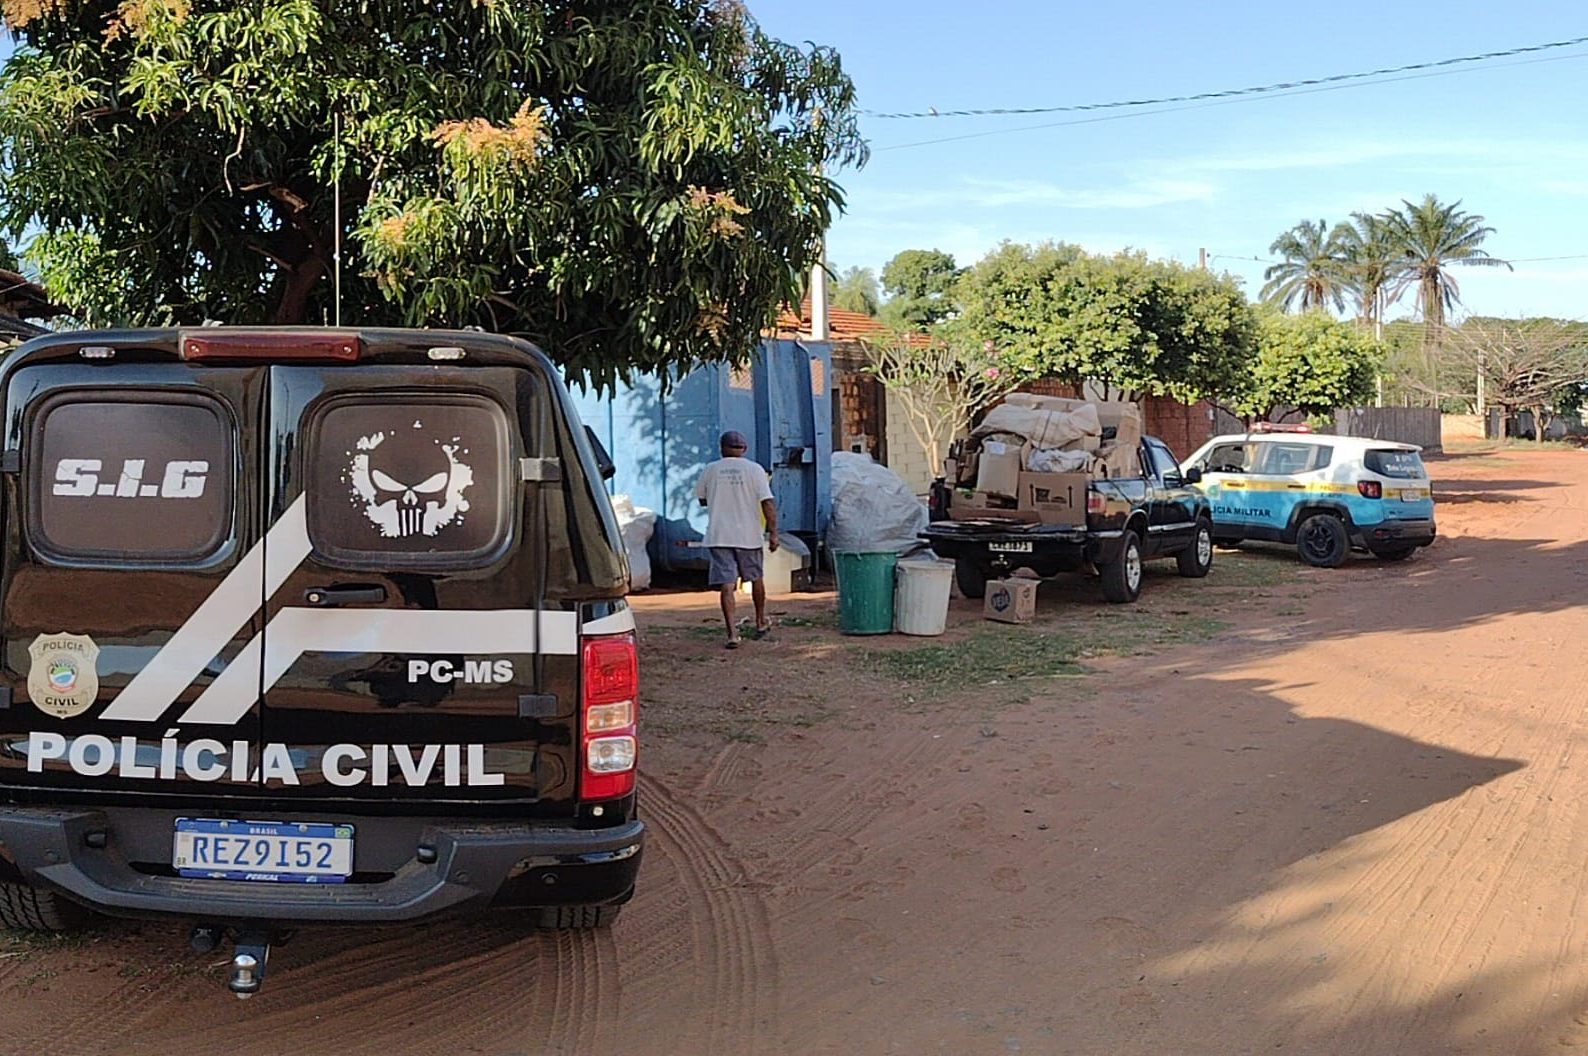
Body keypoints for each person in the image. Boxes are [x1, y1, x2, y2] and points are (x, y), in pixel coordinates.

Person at [695, 430, 779, 648]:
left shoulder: (711, 469)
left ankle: (732, 633)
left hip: (720, 535)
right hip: (748, 535)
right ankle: (760, 622)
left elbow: (702, 500)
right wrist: (773, 533)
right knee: (756, 578)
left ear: (721, 448)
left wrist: (721, 497)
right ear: (745, 449)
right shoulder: (755, 470)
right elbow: (767, 503)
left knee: (727, 584)